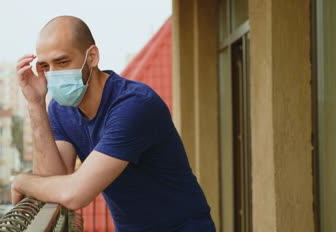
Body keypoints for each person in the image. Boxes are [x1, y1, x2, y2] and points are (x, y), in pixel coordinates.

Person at [12, 16, 215, 232]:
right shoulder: (60, 109)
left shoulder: (134, 105)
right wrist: (35, 104)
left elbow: (74, 194)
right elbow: (53, 180)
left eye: (62, 62)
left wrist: (22, 181)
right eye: (45, 66)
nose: (54, 74)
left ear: (92, 57)